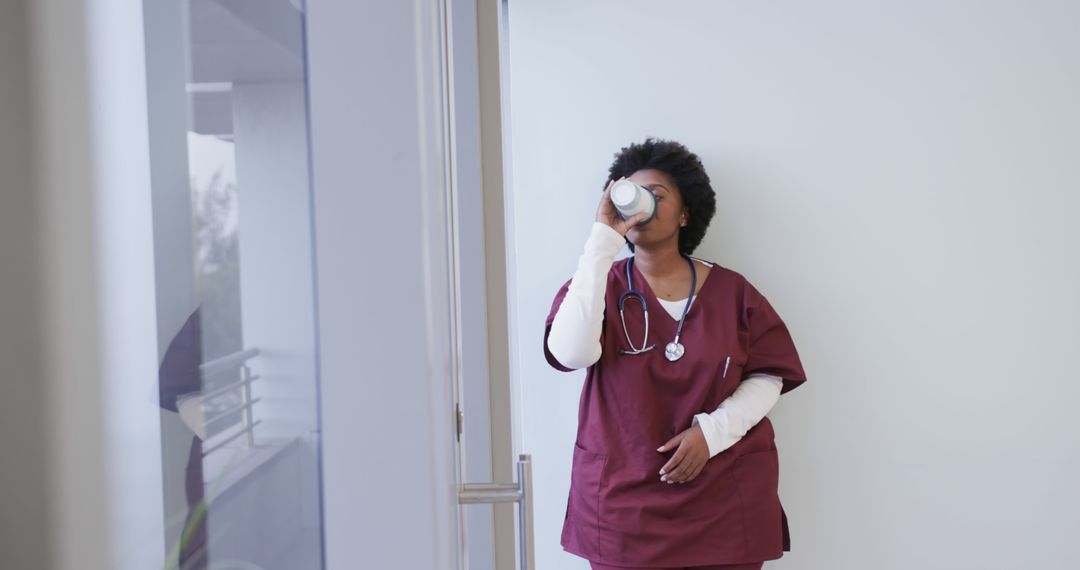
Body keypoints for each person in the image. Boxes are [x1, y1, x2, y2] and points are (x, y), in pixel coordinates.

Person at [543, 138, 807, 570]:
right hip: (624, 510)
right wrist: (602, 239)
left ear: (686, 213)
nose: (640, 205)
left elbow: (768, 376)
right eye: (631, 194)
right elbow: (570, 353)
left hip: (720, 502)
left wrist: (713, 432)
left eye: (657, 195)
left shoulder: (734, 293)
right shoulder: (599, 284)